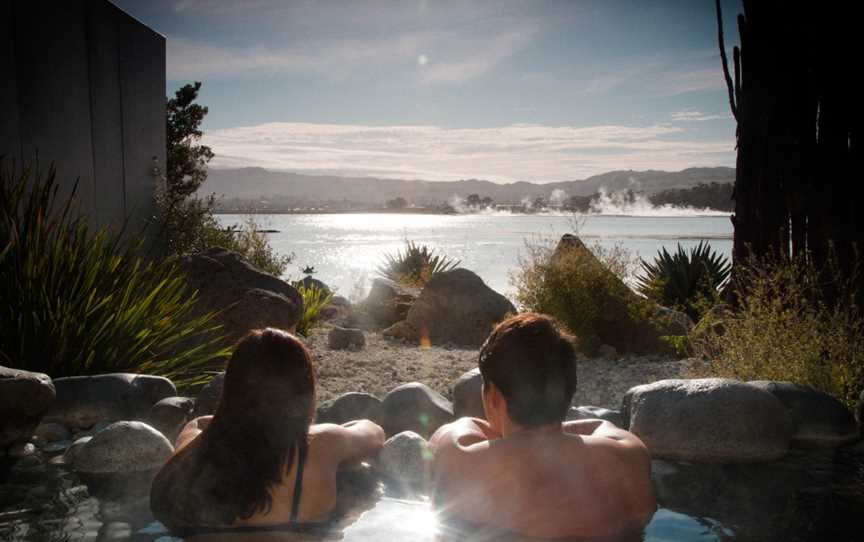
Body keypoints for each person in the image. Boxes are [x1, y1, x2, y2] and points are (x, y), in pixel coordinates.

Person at [430, 314, 656, 540]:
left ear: (494, 397)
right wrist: (551, 433)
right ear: (568, 390)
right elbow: (601, 425)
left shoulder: (460, 456)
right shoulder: (630, 456)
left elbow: (456, 429)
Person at [150, 328, 384, 534]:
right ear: (303, 390)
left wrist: (241, 419)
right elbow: (374, 433)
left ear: (231, 387)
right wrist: (312, 431)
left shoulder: (194, 443)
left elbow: (204, 423)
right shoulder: (324, 443)